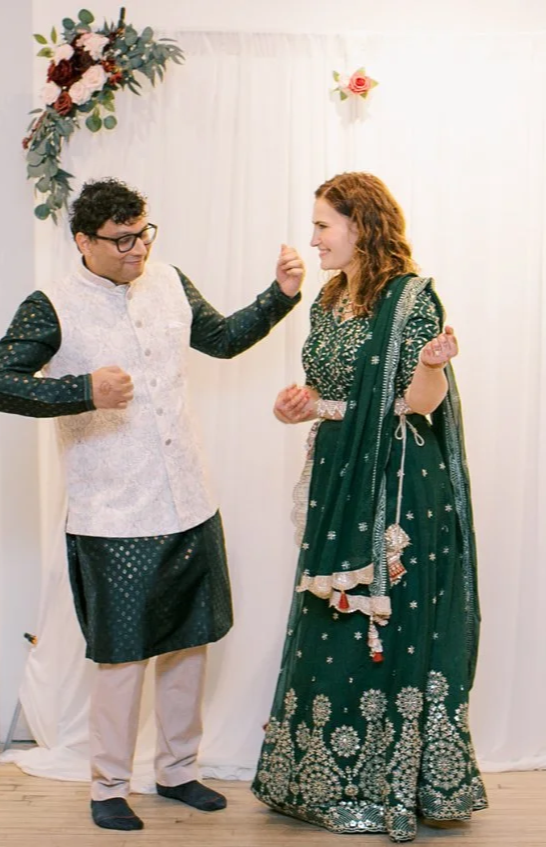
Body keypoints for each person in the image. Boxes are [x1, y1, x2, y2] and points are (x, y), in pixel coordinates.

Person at [0, 178, 304, 831]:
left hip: (188, 497)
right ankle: (108, 784)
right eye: (122, 240)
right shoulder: (51, 305)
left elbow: (222, 338)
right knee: (122, 655)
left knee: (190, 640)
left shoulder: (170, 282)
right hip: (111, 512)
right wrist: (82, 390)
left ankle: (177, 771)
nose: (137, 249)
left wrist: (280, 294)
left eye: (143, 234)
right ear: (84, 241)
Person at [251, 172, 487, 842]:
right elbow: (331, 397)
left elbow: (418, 403)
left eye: (323, 224)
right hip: (337, 476)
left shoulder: (411, 297)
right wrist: (296, 406)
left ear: (361, 225)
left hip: (398, 485)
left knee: (396, 622)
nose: (313, 238)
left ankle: (396, 784)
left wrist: (433, 364)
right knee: (332, 619)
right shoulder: (327, 299)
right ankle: (322, 779)